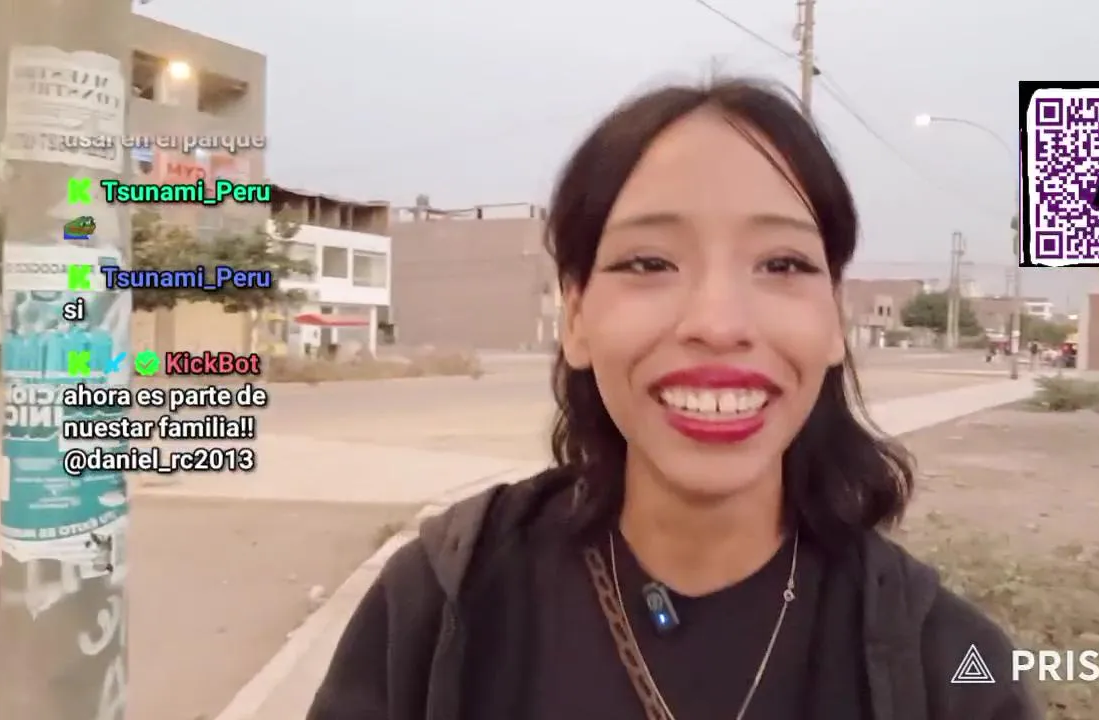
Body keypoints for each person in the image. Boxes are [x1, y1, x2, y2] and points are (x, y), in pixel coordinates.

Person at [306, 78, 1039, 720]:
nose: (718, 324)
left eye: (783, 264)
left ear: (833, 322)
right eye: (649, 261)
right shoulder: (440, 607)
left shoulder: (943, 665)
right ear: (576, 317)